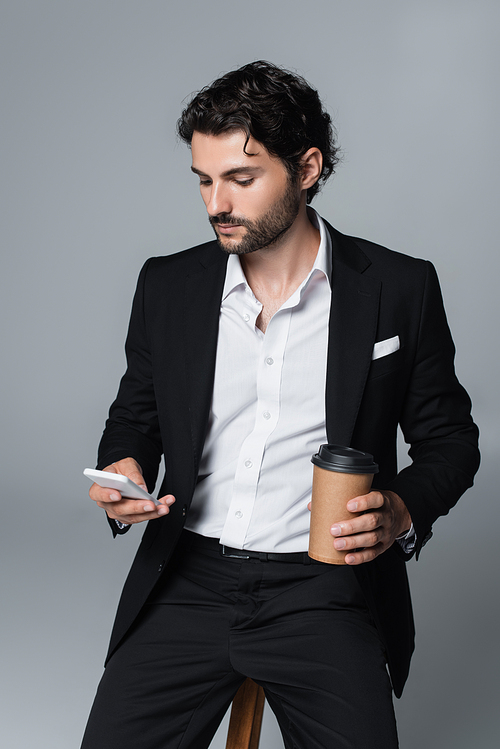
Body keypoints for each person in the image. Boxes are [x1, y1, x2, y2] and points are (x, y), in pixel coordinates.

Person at [81, 61, 480, 748]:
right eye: (205, 180)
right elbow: (135, 416)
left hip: (322, 589)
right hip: (188, 579)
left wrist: (403, 509)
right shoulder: (167, 286)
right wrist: (125, 469)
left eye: (241, 178)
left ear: (307, 168)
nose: (217, 203)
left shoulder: (398, 288)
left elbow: (451, 442)